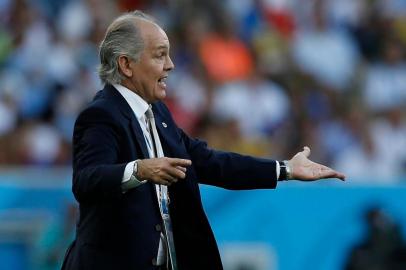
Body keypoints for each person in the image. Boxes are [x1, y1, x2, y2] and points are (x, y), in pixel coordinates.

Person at [61, 10, 345, 270]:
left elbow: (208, 162)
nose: (170, 65)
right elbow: (86, 180)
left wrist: (285, 169)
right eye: (160, 55)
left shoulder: (157, 112)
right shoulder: (101, 115)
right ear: (126, 64)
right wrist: (138, 170)